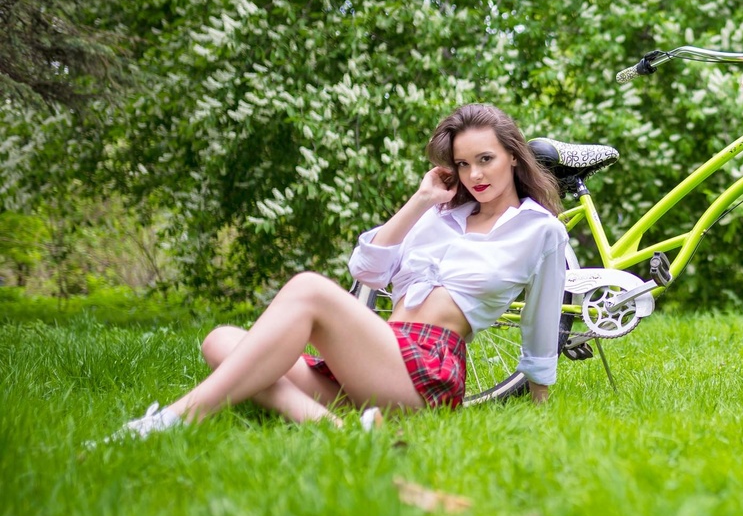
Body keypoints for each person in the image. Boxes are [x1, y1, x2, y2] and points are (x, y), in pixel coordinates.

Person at [107, 103, 569, 439]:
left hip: (427, 370)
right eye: (463, 164)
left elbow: (542, 321)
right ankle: (344, 433)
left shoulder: (540, 230)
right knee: (221, 341)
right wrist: (422, 200)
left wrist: (539, 404)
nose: (474, 175)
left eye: (485, 159)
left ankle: (172, 420)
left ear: (513, 154)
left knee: (309, 289)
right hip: (375, 362)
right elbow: (367, 270)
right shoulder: (441, 214)